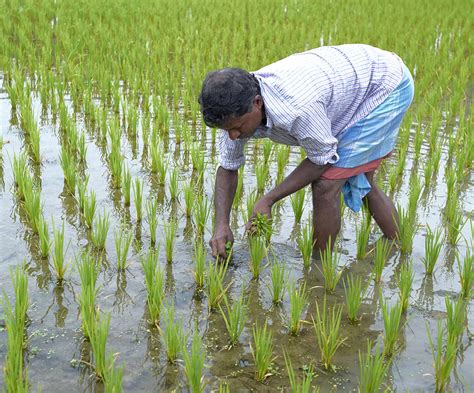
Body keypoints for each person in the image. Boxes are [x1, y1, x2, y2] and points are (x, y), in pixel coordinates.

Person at [199, 44, 414, 260]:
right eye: (227, 130)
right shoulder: (233, 113)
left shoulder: (296, 108)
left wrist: (268, 199)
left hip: (385, 86)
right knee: (358, 179)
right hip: (351, 87)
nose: (233, 136)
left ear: (257, 103)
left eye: (237, 127)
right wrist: (221, 225)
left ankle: (320, 270)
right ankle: (399, 248)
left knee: (326, 184)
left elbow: (323, 158)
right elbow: (227, 166)